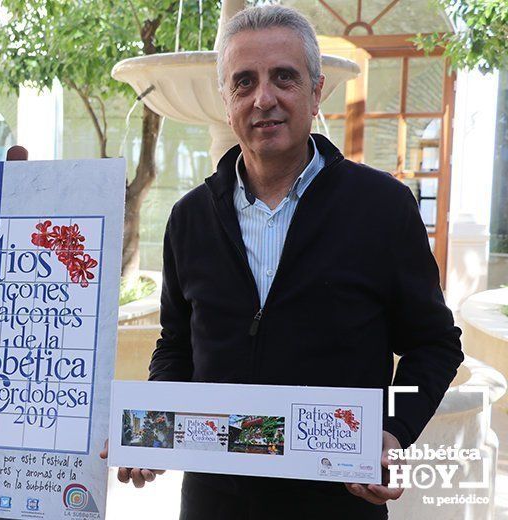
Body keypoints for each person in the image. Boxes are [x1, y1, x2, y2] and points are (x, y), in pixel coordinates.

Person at [111, 5, 463, 519]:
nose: (264, 99)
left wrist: (393, 430)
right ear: (226, 99)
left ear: (317, 91)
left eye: (284, 78)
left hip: (336, 503)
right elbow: (178, 348)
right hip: (214, 503)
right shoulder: (190, 218)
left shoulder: (382, 208)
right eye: (244, 82)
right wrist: (152, 434)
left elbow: (434, 344)